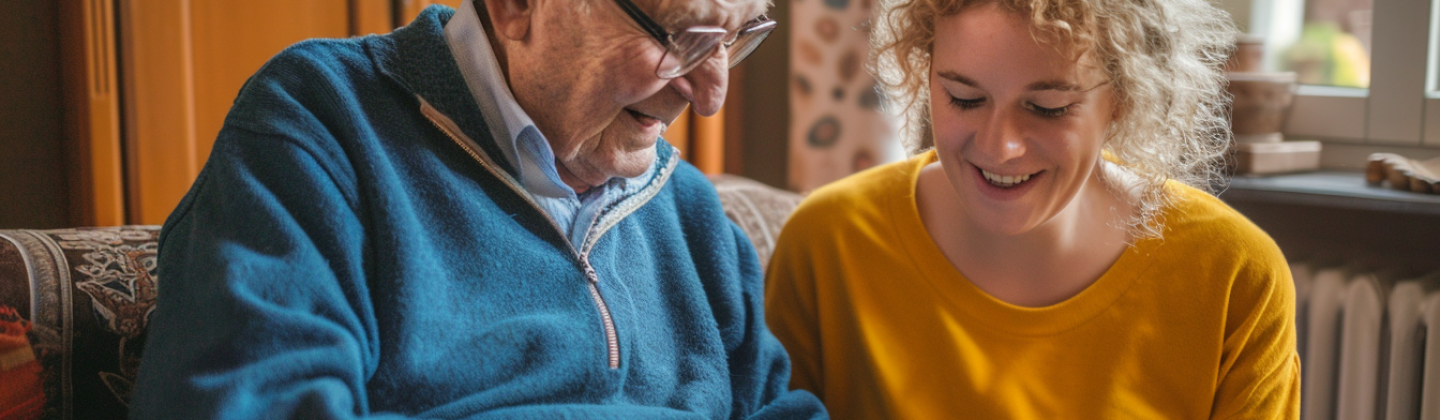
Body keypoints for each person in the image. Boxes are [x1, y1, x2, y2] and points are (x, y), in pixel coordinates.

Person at [129, 0, 827, 418]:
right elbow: (250, 401)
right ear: (516, 5)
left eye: (737, 37)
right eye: (682, 37)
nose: (710, 95)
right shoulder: (320, 126)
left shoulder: (691, 214)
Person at [764, 0, 1301, 417]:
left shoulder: (1232, 274)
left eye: (1048, 108)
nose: (999, 147)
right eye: (964, 98)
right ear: (925, 73)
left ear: (1124, 98)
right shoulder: (828, 242)